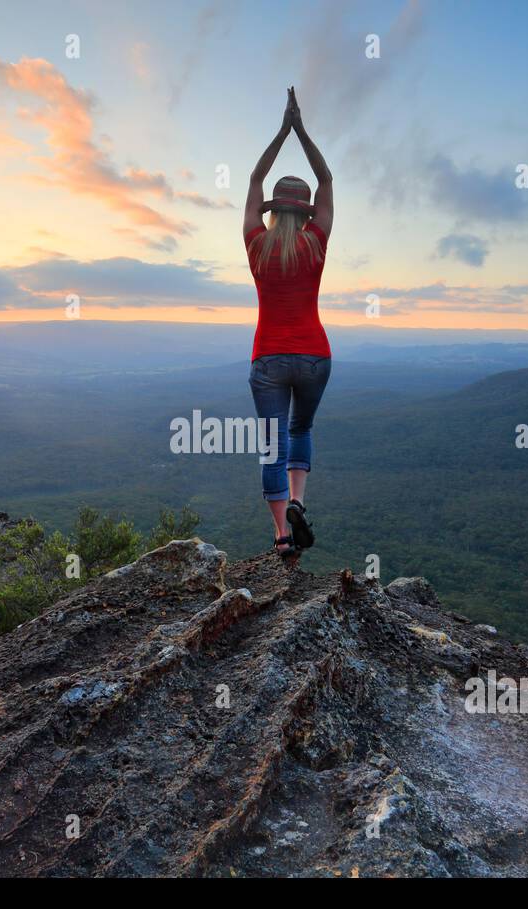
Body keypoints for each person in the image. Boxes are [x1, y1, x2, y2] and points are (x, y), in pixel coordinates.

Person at [243, 87, 334, 560]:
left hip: (270, 357)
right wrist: (301, 129)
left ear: (273, 209)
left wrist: (281, 131)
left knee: (271, 444)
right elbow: (326, 178)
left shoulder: (256, 243)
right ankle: (299, 502)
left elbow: (257, 175)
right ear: (305, 213)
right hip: (316, 356)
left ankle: (281, 537)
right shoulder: (316, 244)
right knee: (301, 429)